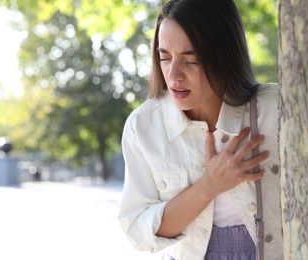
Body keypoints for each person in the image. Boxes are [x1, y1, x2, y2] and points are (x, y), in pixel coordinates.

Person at [118, 0, 283, 259]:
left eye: (190, 60)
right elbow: (138, 232)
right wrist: (209, 186)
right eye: (164, 57)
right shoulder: (144, 127)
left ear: (225, 54)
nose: (174, 75)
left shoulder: (275, 109)